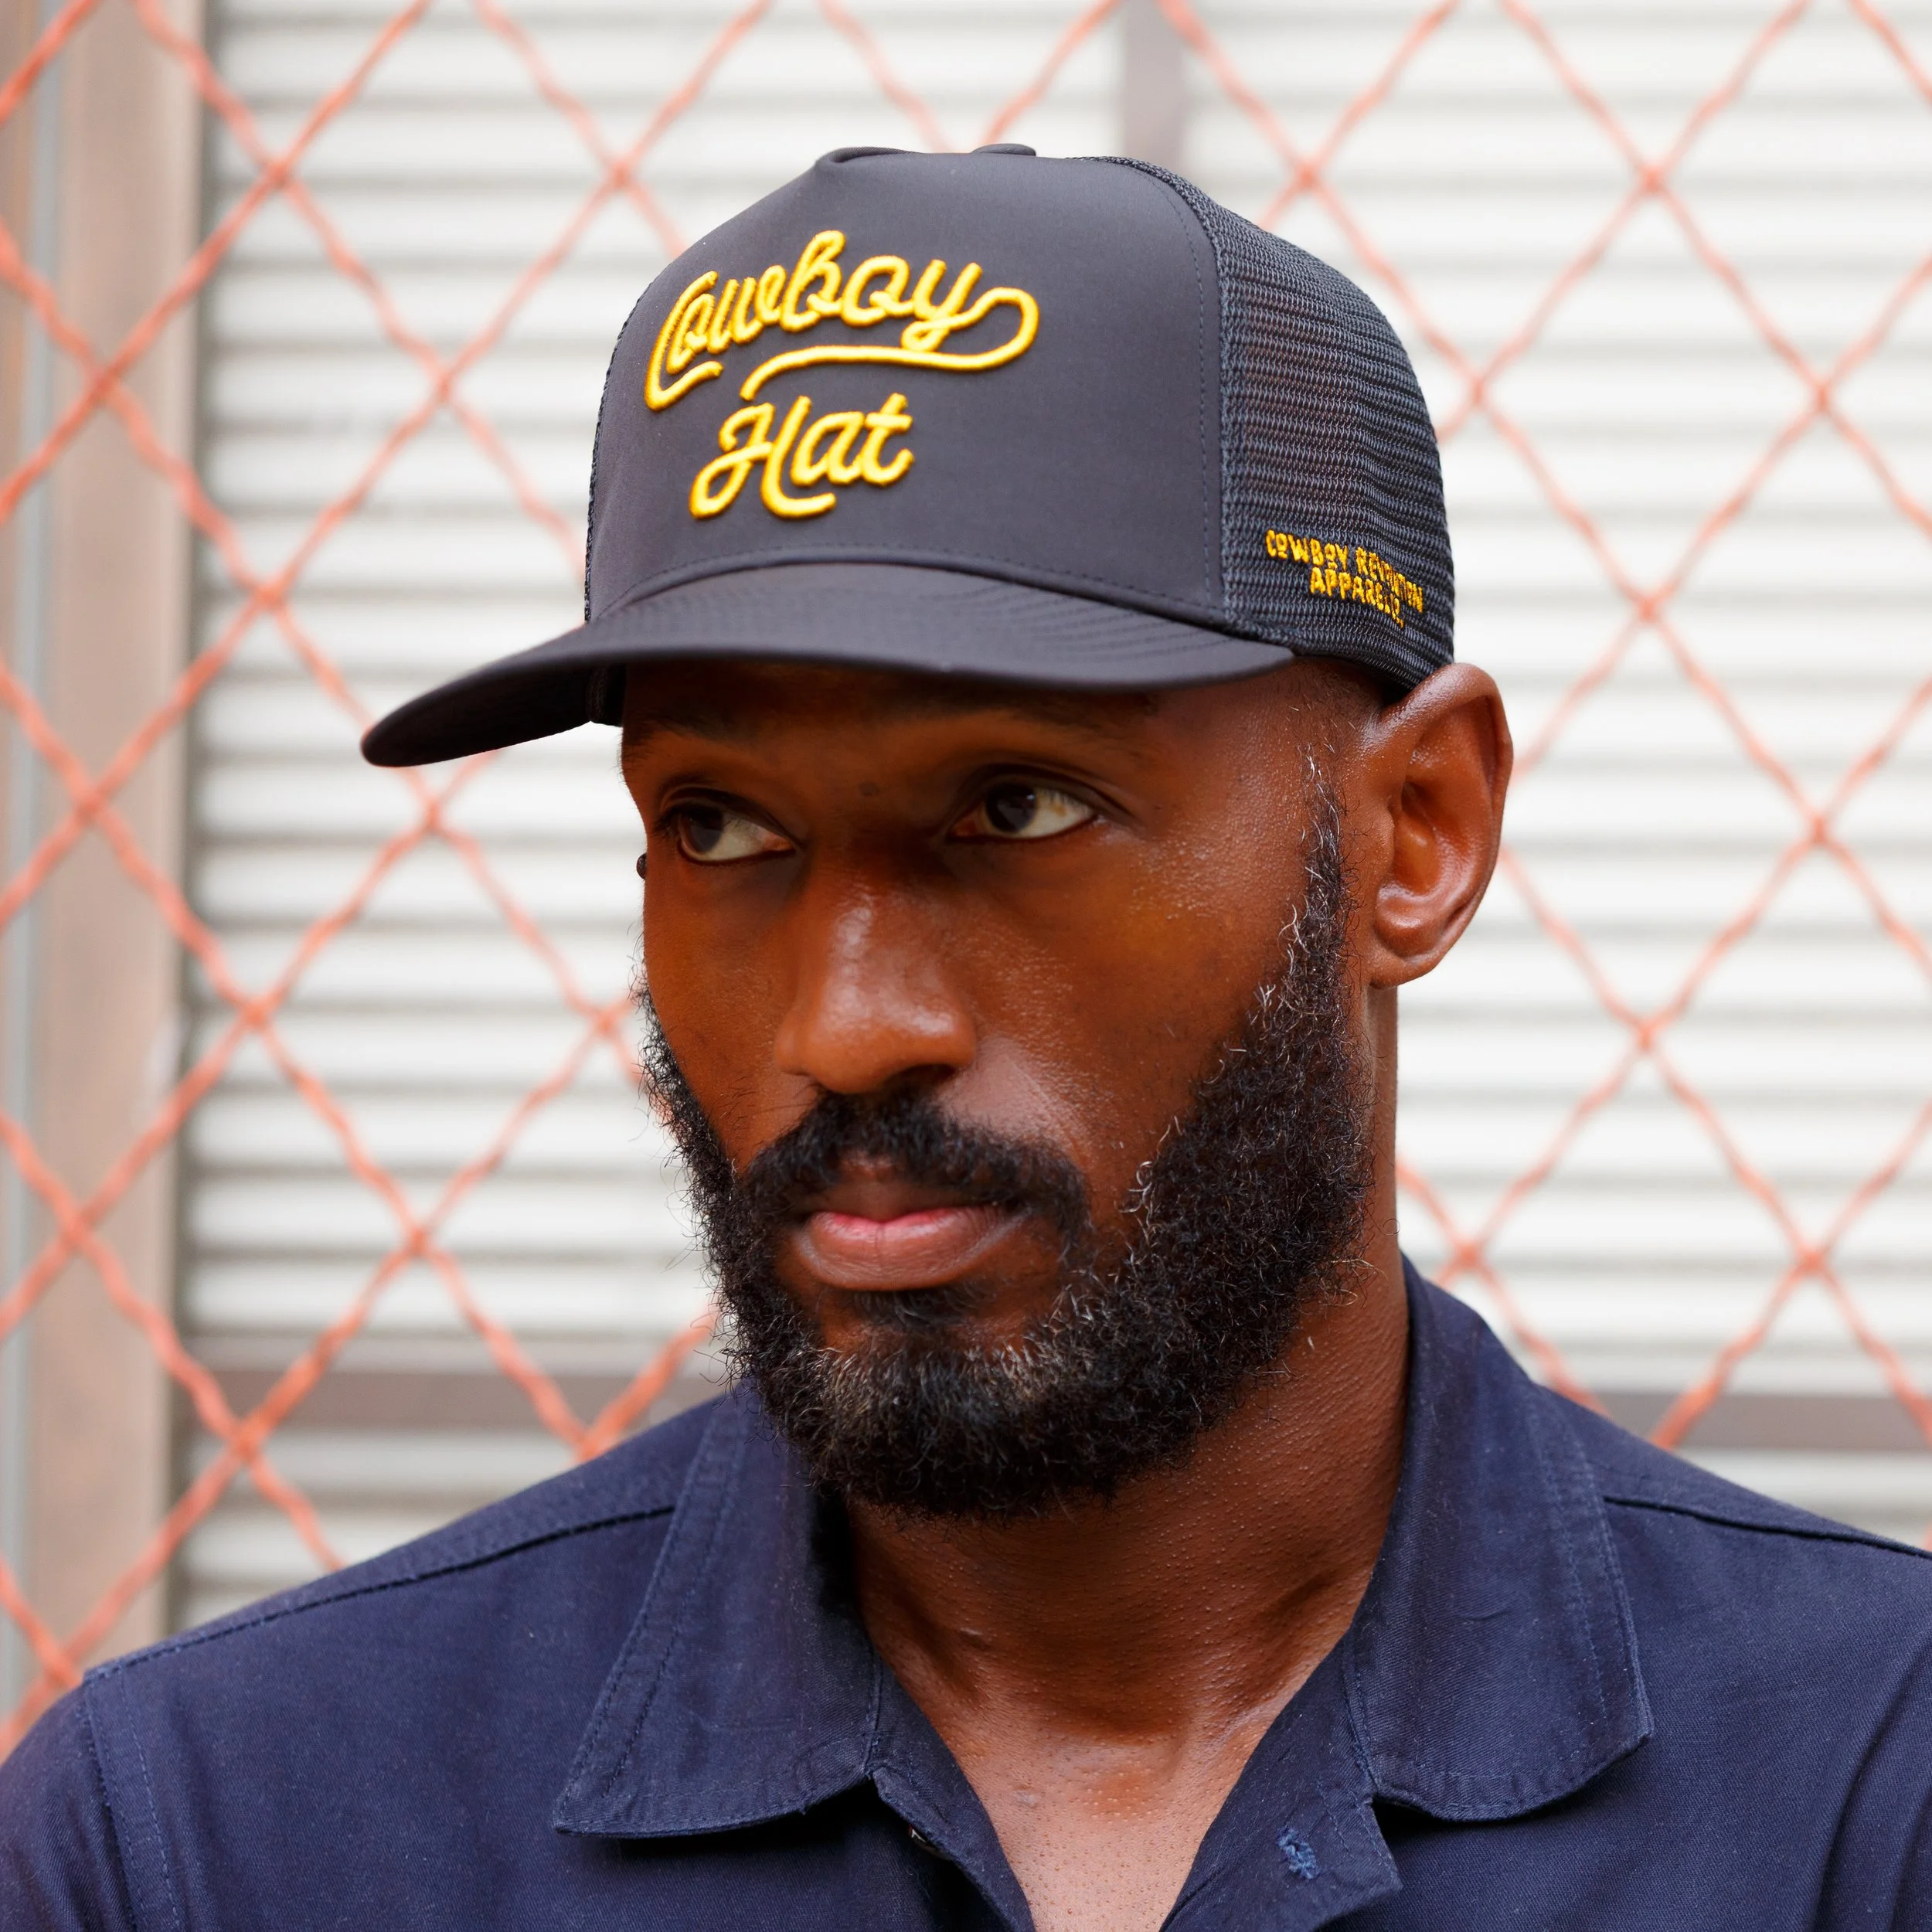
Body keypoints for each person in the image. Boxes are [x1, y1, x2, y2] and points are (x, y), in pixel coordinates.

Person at [3, 145, 1929, 1932]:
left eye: (1013, 807)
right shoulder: (213, 1837)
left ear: (1413, 835)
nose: (844, 1029)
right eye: (718, 826)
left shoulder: (1863, 1794)